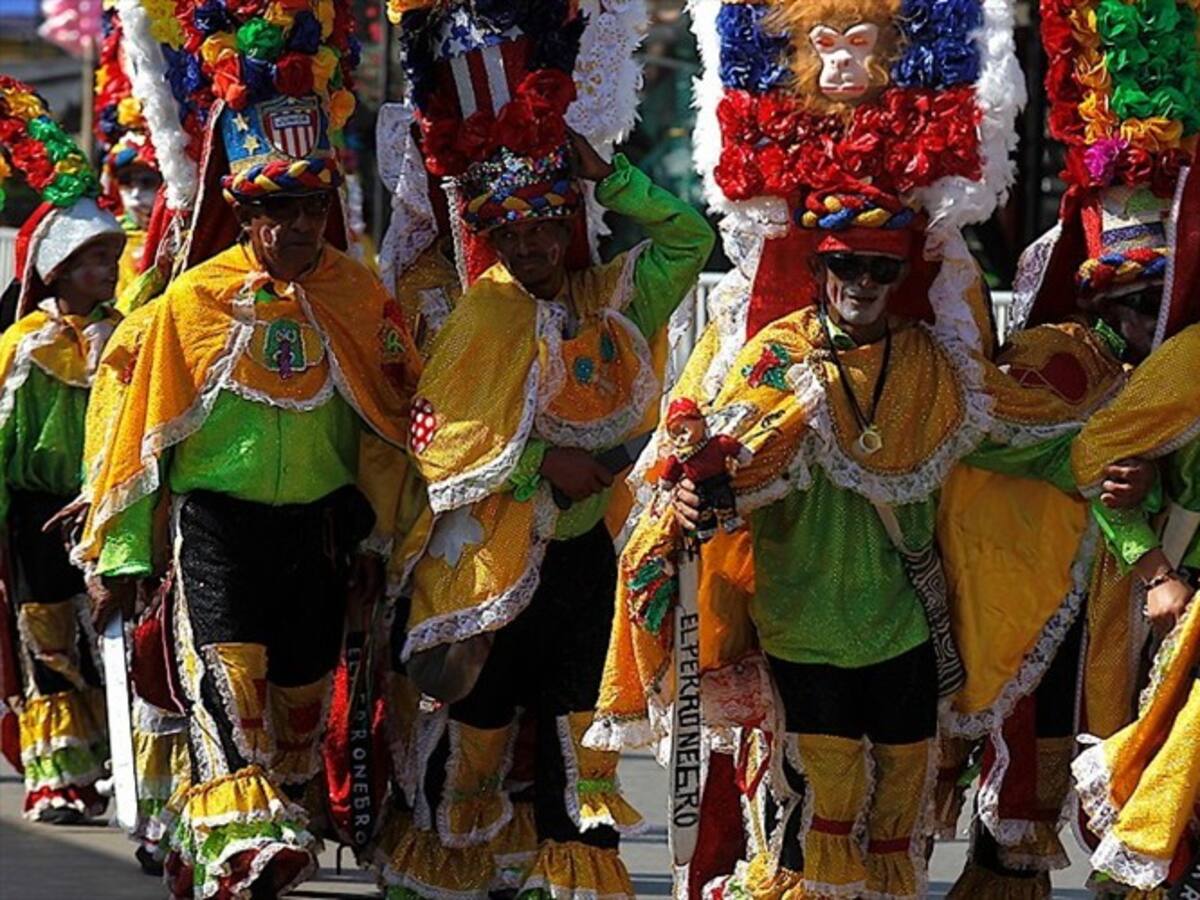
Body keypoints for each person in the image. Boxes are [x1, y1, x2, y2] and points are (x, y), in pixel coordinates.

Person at [72, 5, 423, 895]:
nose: (297, 227)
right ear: (243, 211)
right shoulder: (191, 303)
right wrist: (123, 550)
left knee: (299, 705)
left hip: (319, 531)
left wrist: (390, 540)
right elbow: (136, 425)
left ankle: (244, 842)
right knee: (231, 689)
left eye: (309, 208)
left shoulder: (360, 297)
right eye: (276, 211)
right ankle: (239, 846)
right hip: (217, 527)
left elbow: (391, 427)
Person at [379, 3, 714, 896]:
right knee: (481, 725)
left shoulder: (611, 301)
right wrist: (539, 465)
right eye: (513, 233)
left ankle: (575, 873)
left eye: (544, 228)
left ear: (566, 226)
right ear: (492, 237)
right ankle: (456, 869)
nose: (530, 247)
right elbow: (436, 438)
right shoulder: (478, 312)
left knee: (579, 722)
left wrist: (613, 178)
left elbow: (691, 239)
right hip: (491, 563)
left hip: (587, 555)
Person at [0, 77, 126, 824]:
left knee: (108, 639)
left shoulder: (127, 337)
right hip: (35, 516)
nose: (109, 270)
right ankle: (58, 778)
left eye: (113, 257)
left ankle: (116, 767)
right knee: (46, 639)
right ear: (57, 269)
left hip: (104, 512)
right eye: (94, 258)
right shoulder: (22, 345)